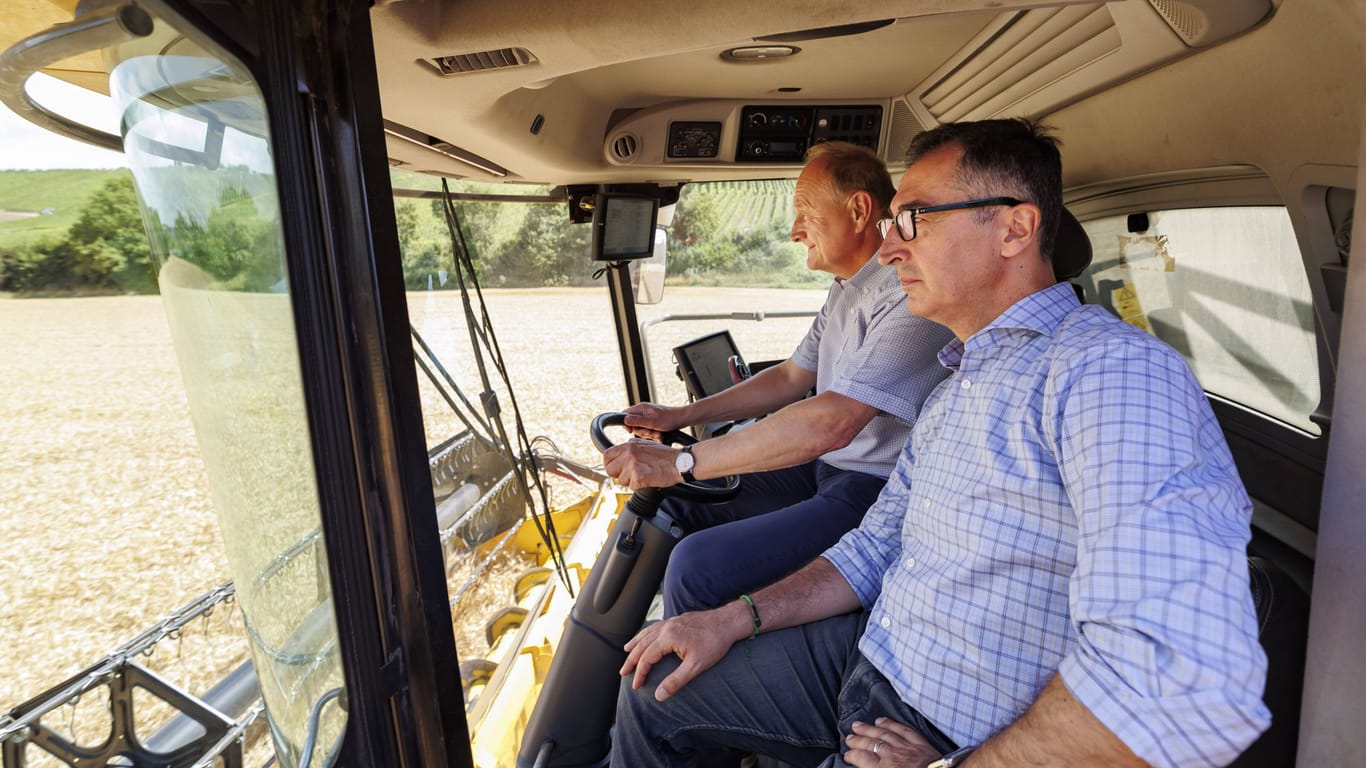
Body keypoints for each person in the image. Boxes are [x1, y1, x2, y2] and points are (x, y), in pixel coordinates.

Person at [611, 118, 1270, 768]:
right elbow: (873, 547)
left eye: (915, 220)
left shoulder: (1108, 373)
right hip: (869, 654)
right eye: (894, 223)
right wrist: (733, 619)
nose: (892, 248)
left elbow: (1180, 690)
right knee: (652, 689)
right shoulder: (954, 388)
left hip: (948, 727)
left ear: (1014, 228)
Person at [604, 142, 954, 617]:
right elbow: (791, 377)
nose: (794, 232)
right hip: (827, 467)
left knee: (696, 566)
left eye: (806, 213)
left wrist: (681, 460)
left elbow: (834, 422)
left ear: (857, 210)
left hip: (872, 487)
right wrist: (681, 416)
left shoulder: (907, 296)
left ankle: (672, 684)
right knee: (679, 502)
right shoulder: (847, 289)